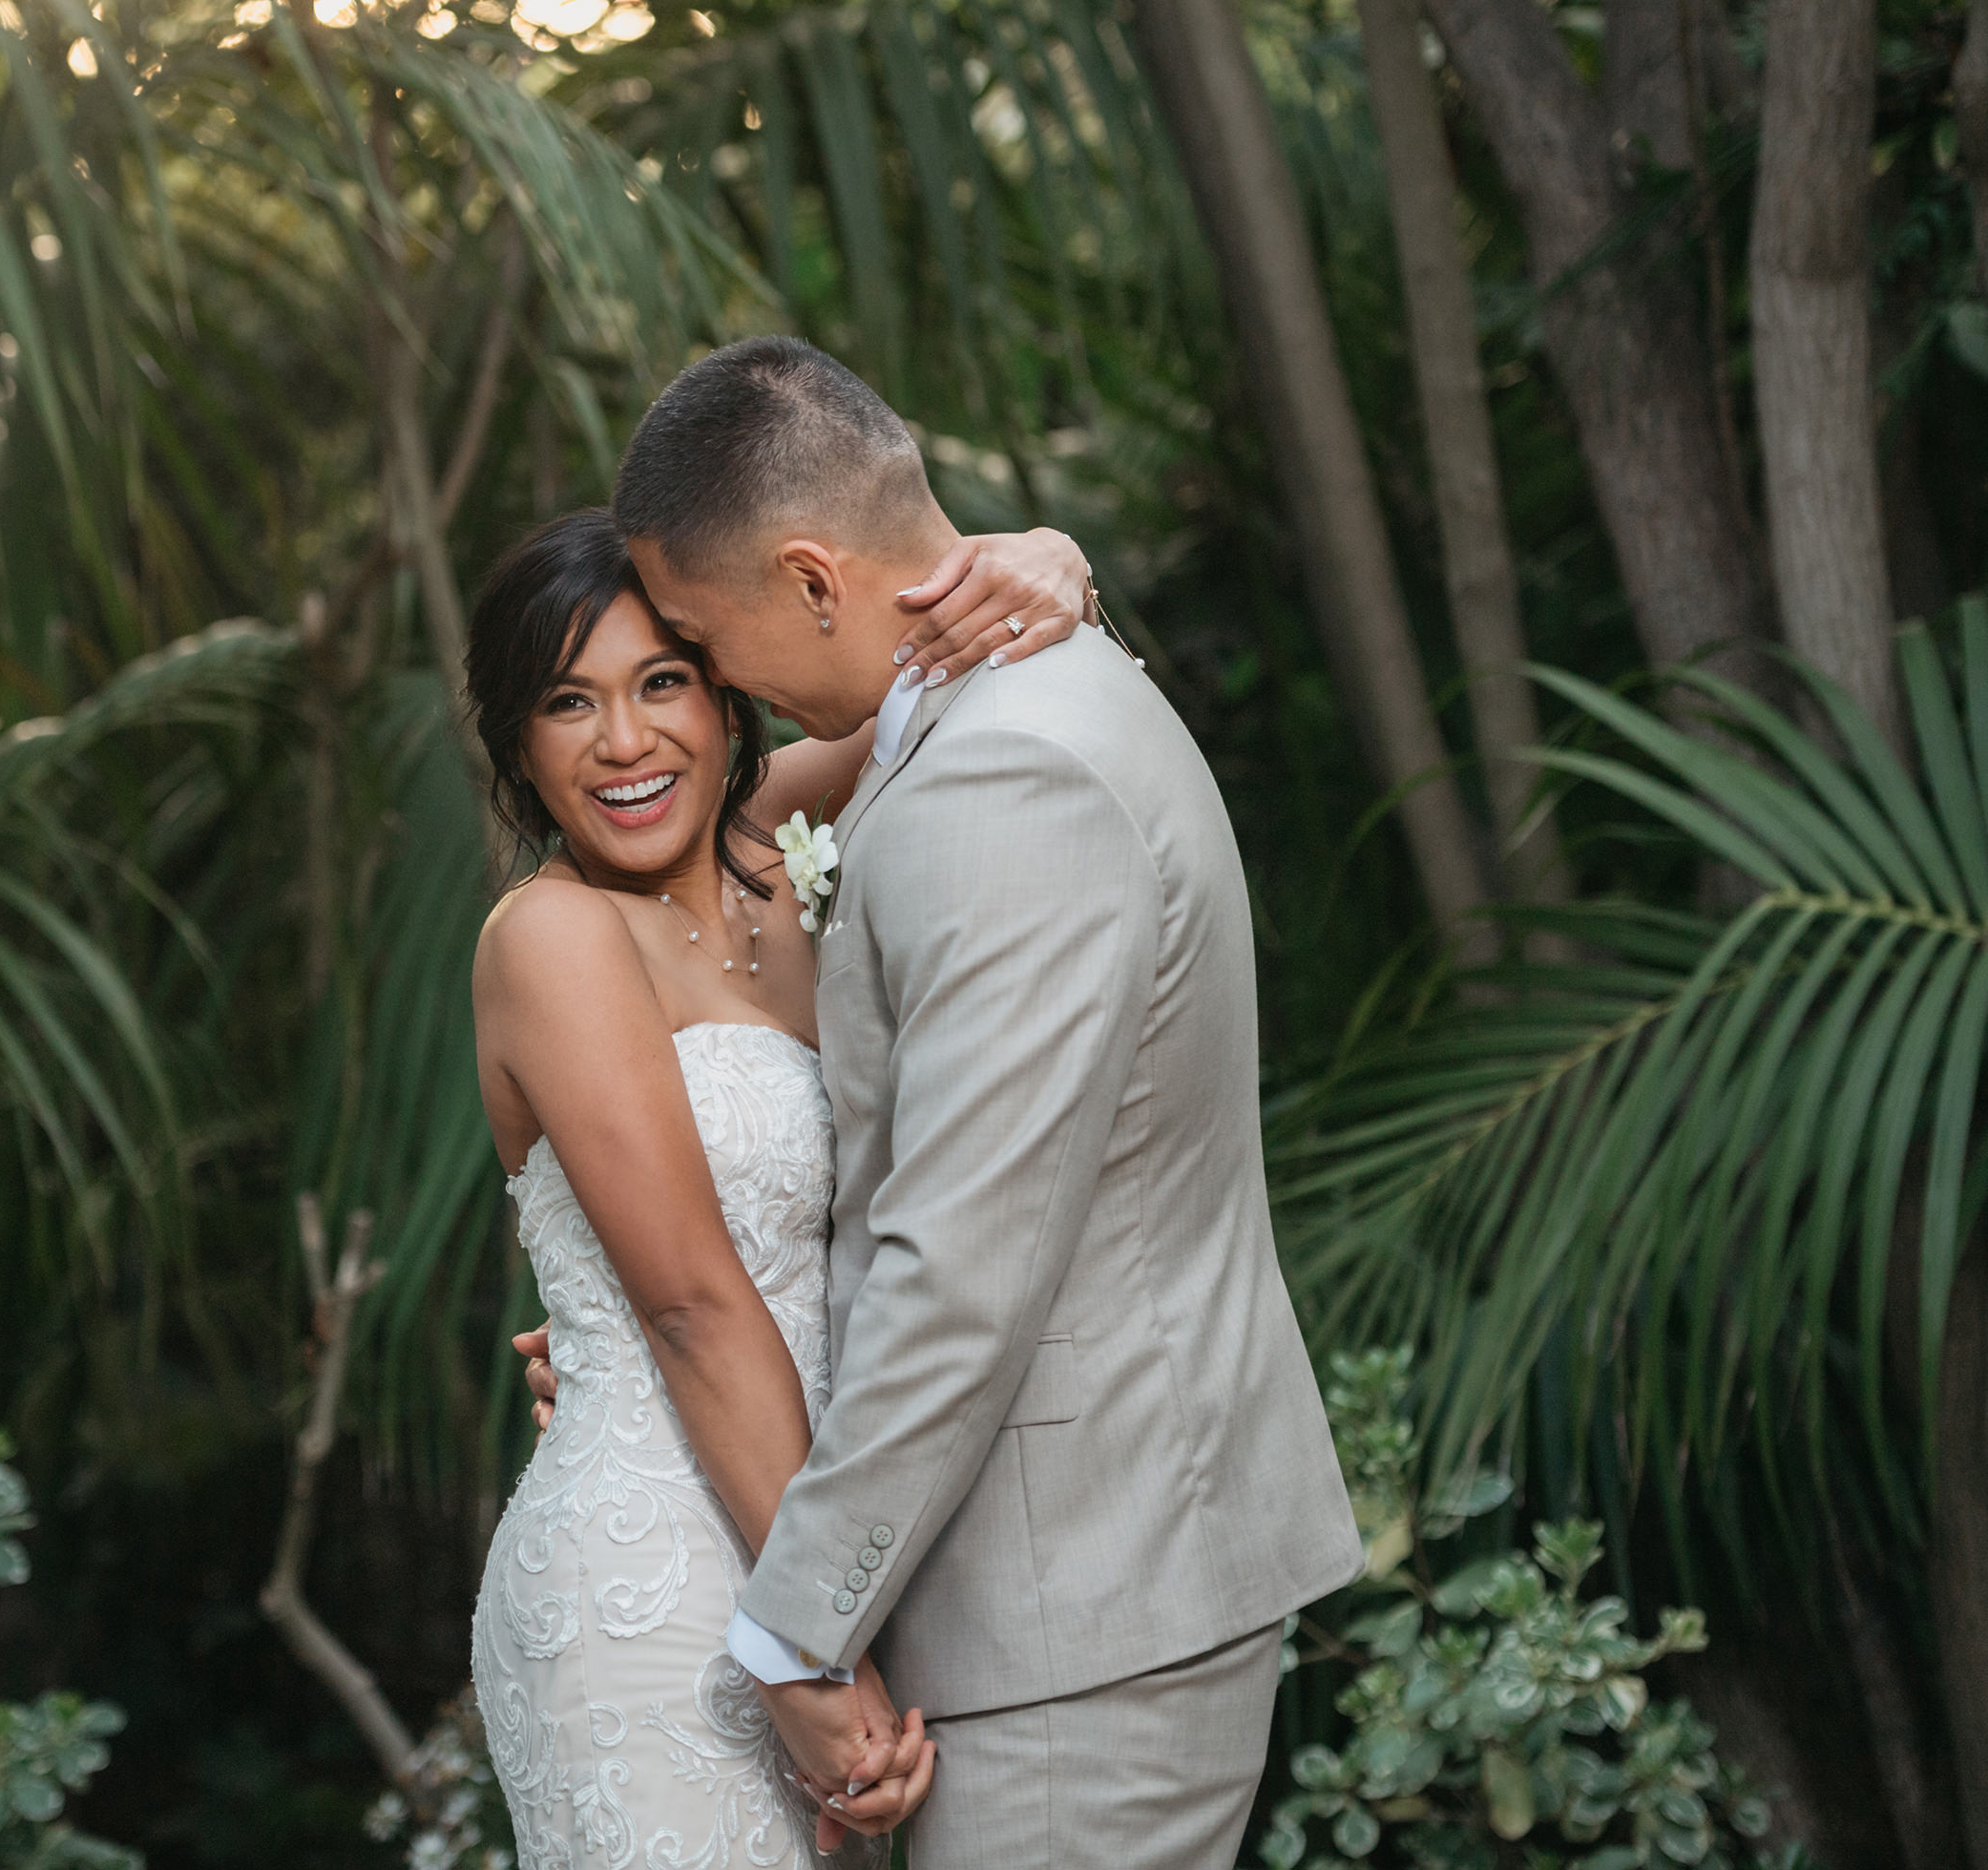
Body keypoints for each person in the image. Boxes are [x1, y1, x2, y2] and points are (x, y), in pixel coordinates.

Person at [529, 334, 1366, 1865]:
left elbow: (962, 1267)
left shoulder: (1008, 779)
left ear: (812, 579)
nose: (711, 689)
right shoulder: (985, 718)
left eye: (699, 650)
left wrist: (794, 1639)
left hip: (1078, 1606)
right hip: (1038, 1597)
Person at [465, 502, 1099, 1868]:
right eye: (571, 702)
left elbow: (946, 645)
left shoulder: (772, 844)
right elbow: (691, 1300)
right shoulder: (552, 936)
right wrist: (807, 1651)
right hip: (658, 1595)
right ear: (520, 741)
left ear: (727, 689)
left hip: (814, 1543)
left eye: (663, 682)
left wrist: (1049, 557)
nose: (627, 743)